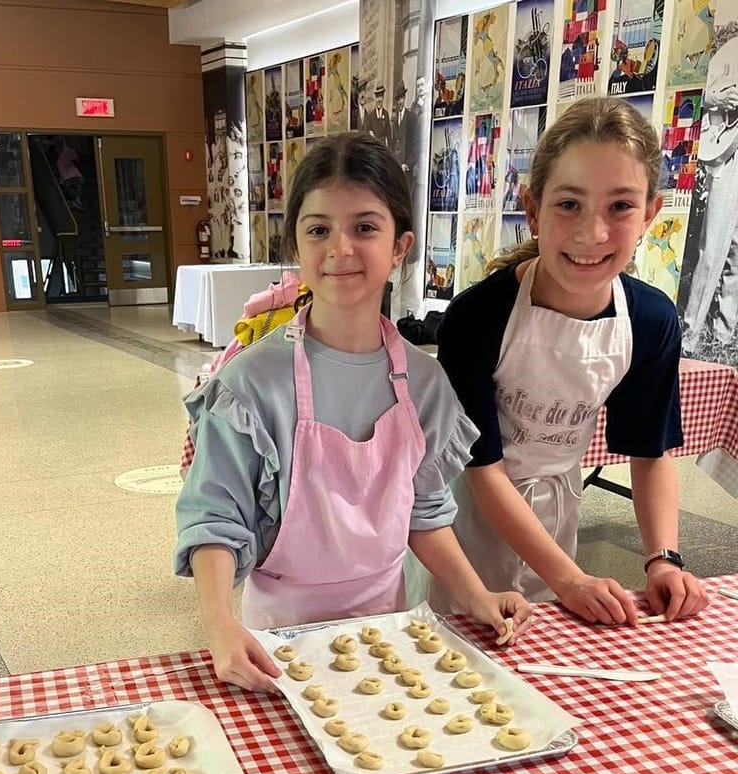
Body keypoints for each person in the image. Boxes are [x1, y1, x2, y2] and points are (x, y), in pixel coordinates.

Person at [175, 132, 531, 692]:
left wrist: (474, 594)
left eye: (365, 227)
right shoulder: (249, 384)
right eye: (318, 229)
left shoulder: (425, 383)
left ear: (399, 246)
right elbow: (215, 519)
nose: (340, 248)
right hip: (278, 636)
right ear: (296, 245)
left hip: (390, 622)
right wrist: (219, 623)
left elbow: (424, 513)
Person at [433, 96, 709, 626]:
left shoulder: (650, 321)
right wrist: (569, 578)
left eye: (620, 206)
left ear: (651, 213)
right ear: (532, 208)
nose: (592, 233)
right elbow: (482, 466)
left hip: (558, 507)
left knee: (543, 647)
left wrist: (662, 558)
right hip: (467, 515)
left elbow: (650, 453)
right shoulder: (477, 318)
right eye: (569, 205)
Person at [681, 28, 738, 357]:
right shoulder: (729, 52)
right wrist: (718, 98)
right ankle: (690, 333)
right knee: (713, 248)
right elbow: (694, 92)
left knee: (736, 253)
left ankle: (723, 333)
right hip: (727, 155)